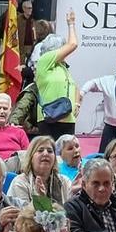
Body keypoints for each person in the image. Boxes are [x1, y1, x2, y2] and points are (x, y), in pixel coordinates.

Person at [30, 12, 80, 141]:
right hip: (49, 118)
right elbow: (73, 44)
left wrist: (76, 104)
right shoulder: (44, 61)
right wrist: (71, 24)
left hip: (67, 118)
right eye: (63, 47)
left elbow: (74, 86)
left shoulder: (63, 68)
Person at [7, 134, 66, 208]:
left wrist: (74, 193)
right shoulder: (20, 183)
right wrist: (40, 199)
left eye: (50, 151)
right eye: (40, 150)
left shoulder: (64, 181)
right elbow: (24, 215)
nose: (45, 153)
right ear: (31, 157)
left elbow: (70, 213)